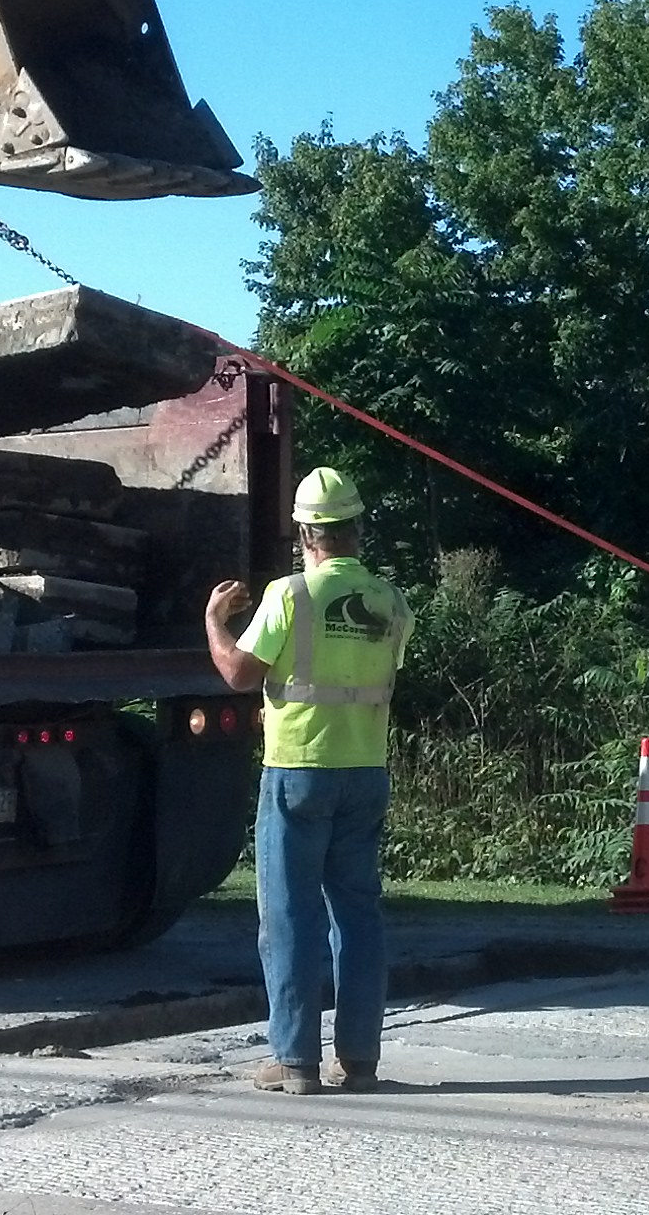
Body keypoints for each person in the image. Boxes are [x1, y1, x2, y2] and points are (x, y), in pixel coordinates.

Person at [204, 467, 411, 1096]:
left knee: (290, 916)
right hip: (365, 771)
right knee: (358, 916)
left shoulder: (290, 595)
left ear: (305, 533)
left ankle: (294, 1060)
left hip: (297, 771)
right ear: (355, 528)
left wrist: (215, 622)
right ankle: (362, 1059)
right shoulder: (391, 603)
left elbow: (241, 674)